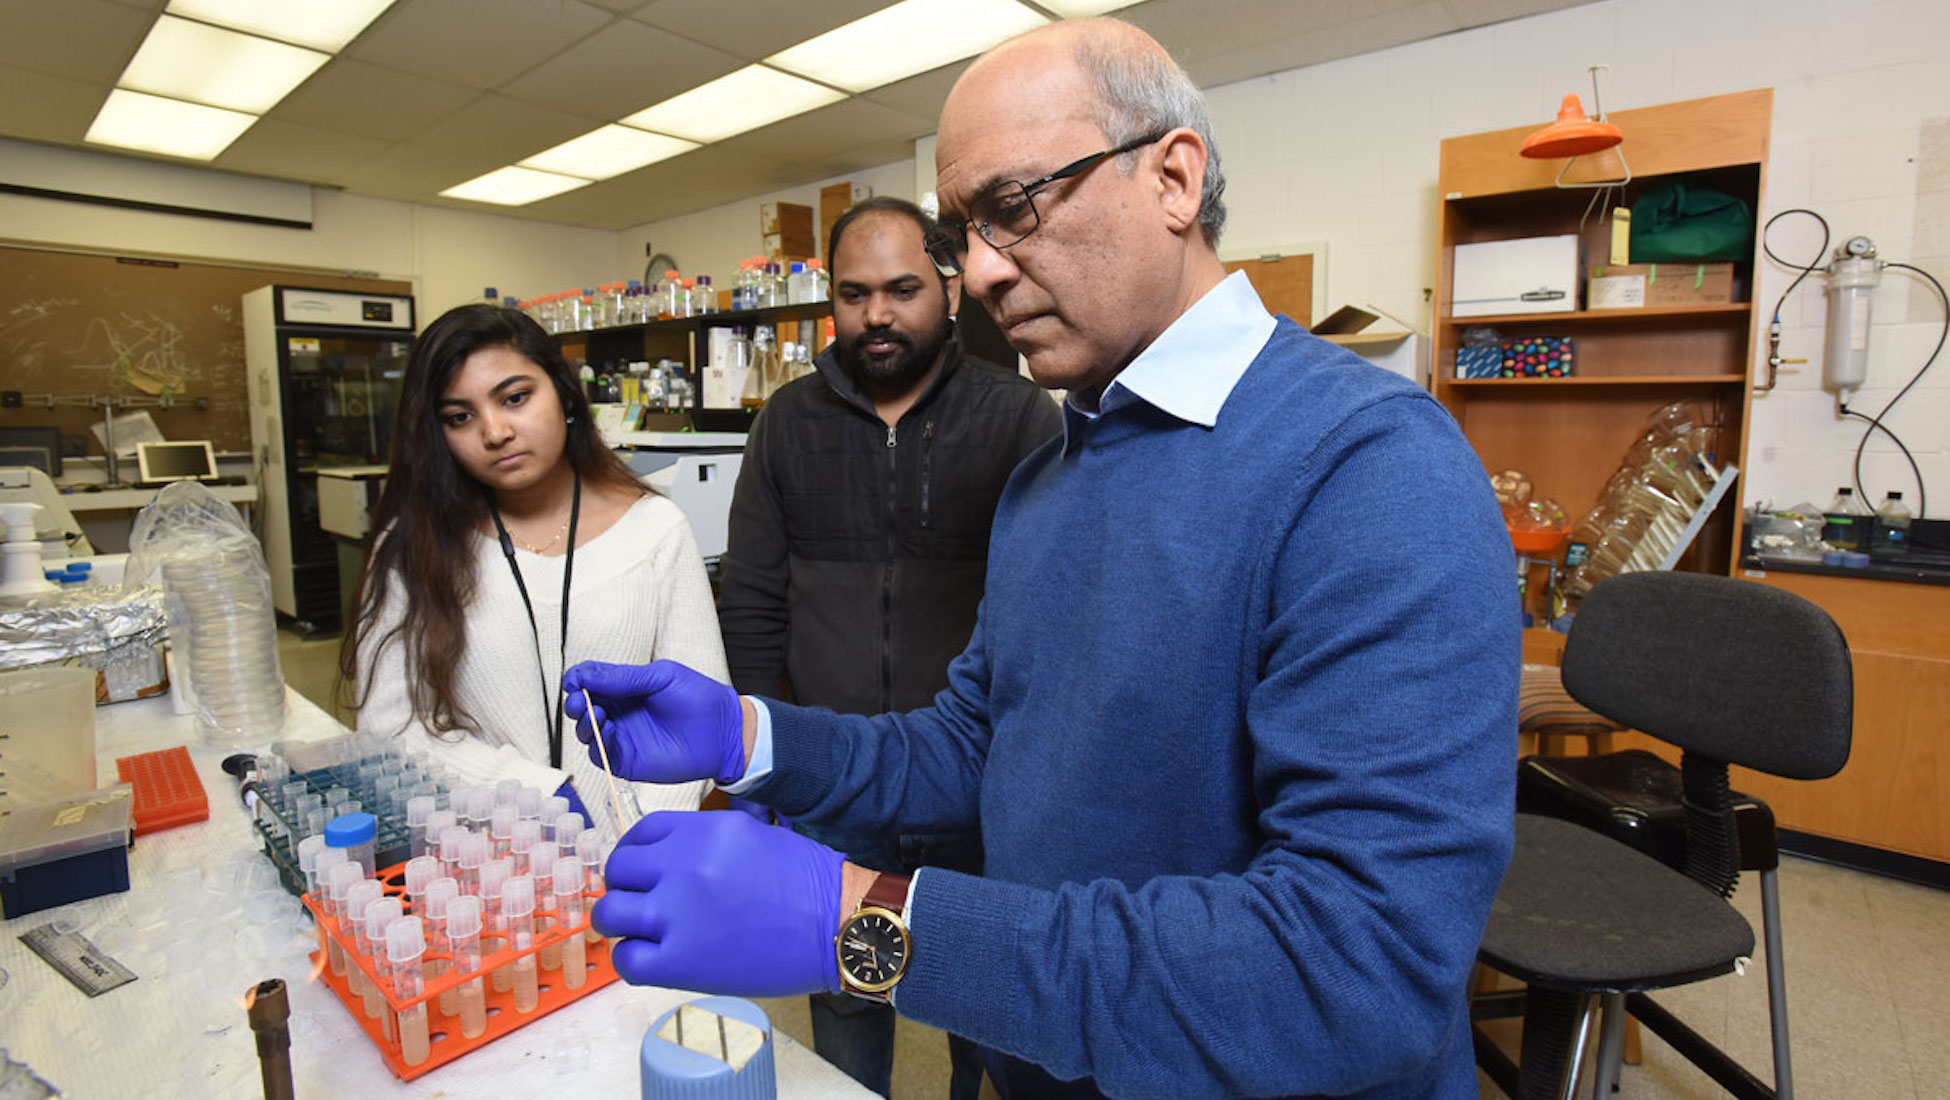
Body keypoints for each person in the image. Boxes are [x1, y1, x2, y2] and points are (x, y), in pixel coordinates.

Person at [564, 17, 1517, 1099]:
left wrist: (861, 920)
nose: (978, 270)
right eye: (962, 229)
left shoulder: (1368, 467)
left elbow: (1356, 966)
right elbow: (979, 744)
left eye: (1013, 210)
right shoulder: (1053, 475)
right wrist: (750, 732)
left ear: (1172, 176)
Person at [716, 196, 1060, 1098]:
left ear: (950, 291)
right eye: (855, 292)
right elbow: (751, 597)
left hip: (978, 779)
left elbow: (1055, 608)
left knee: (984, 998)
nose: (878, 315)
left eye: (903, 289)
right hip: (834, 775)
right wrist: (759, 764)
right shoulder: (785, 425)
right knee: (845, 987)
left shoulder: (1022, 419)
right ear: (829, 301)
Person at [342, 303, 726, 832]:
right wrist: (538, 795)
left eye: (515, 398)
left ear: (565, 395)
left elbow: (698, 715)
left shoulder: (657, 531)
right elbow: (389, 726)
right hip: (487, 862)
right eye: (460, 417)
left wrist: (653, 840)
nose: (495, 431)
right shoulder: (415, 548)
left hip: (642, 861)